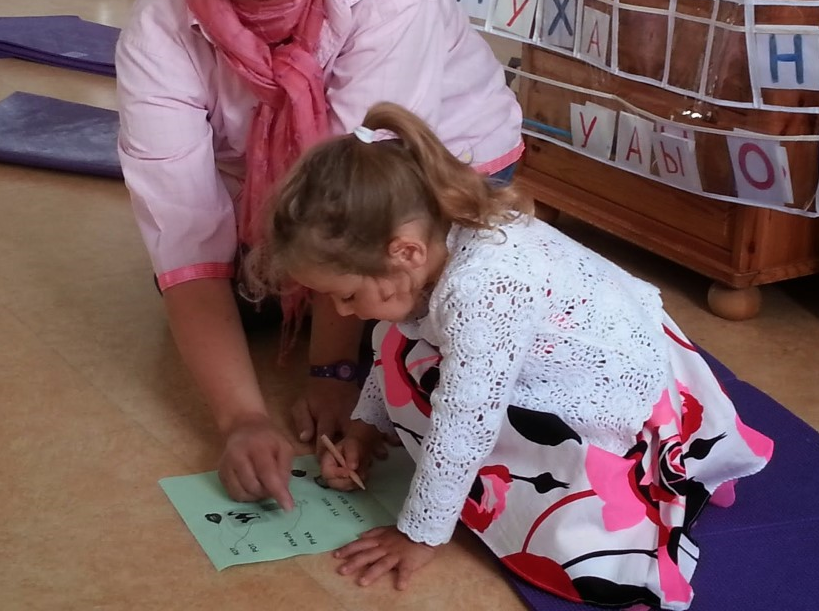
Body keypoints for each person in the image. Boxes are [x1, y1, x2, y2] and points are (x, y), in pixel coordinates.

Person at [115, 0, 524, 513]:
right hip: (291, 197)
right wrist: (240, 420)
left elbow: (365, 188)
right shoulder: (159, 35)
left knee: (453, 313)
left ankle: (331, 318)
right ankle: (314, 304)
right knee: (242, 299)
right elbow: (185, 237)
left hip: (429, 171)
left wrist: (333, 372)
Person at [249, 102, 774, 609]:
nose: (341, 312)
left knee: (549, 520)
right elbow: (399, 337)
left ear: (405, 252)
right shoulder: (437, 240)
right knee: (395, 342)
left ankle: (663, 469)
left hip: (614, 386)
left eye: (346, 295)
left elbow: (464, 427)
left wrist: (420, 534)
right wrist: (366, 428)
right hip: (600, 346)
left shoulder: (483, 288)